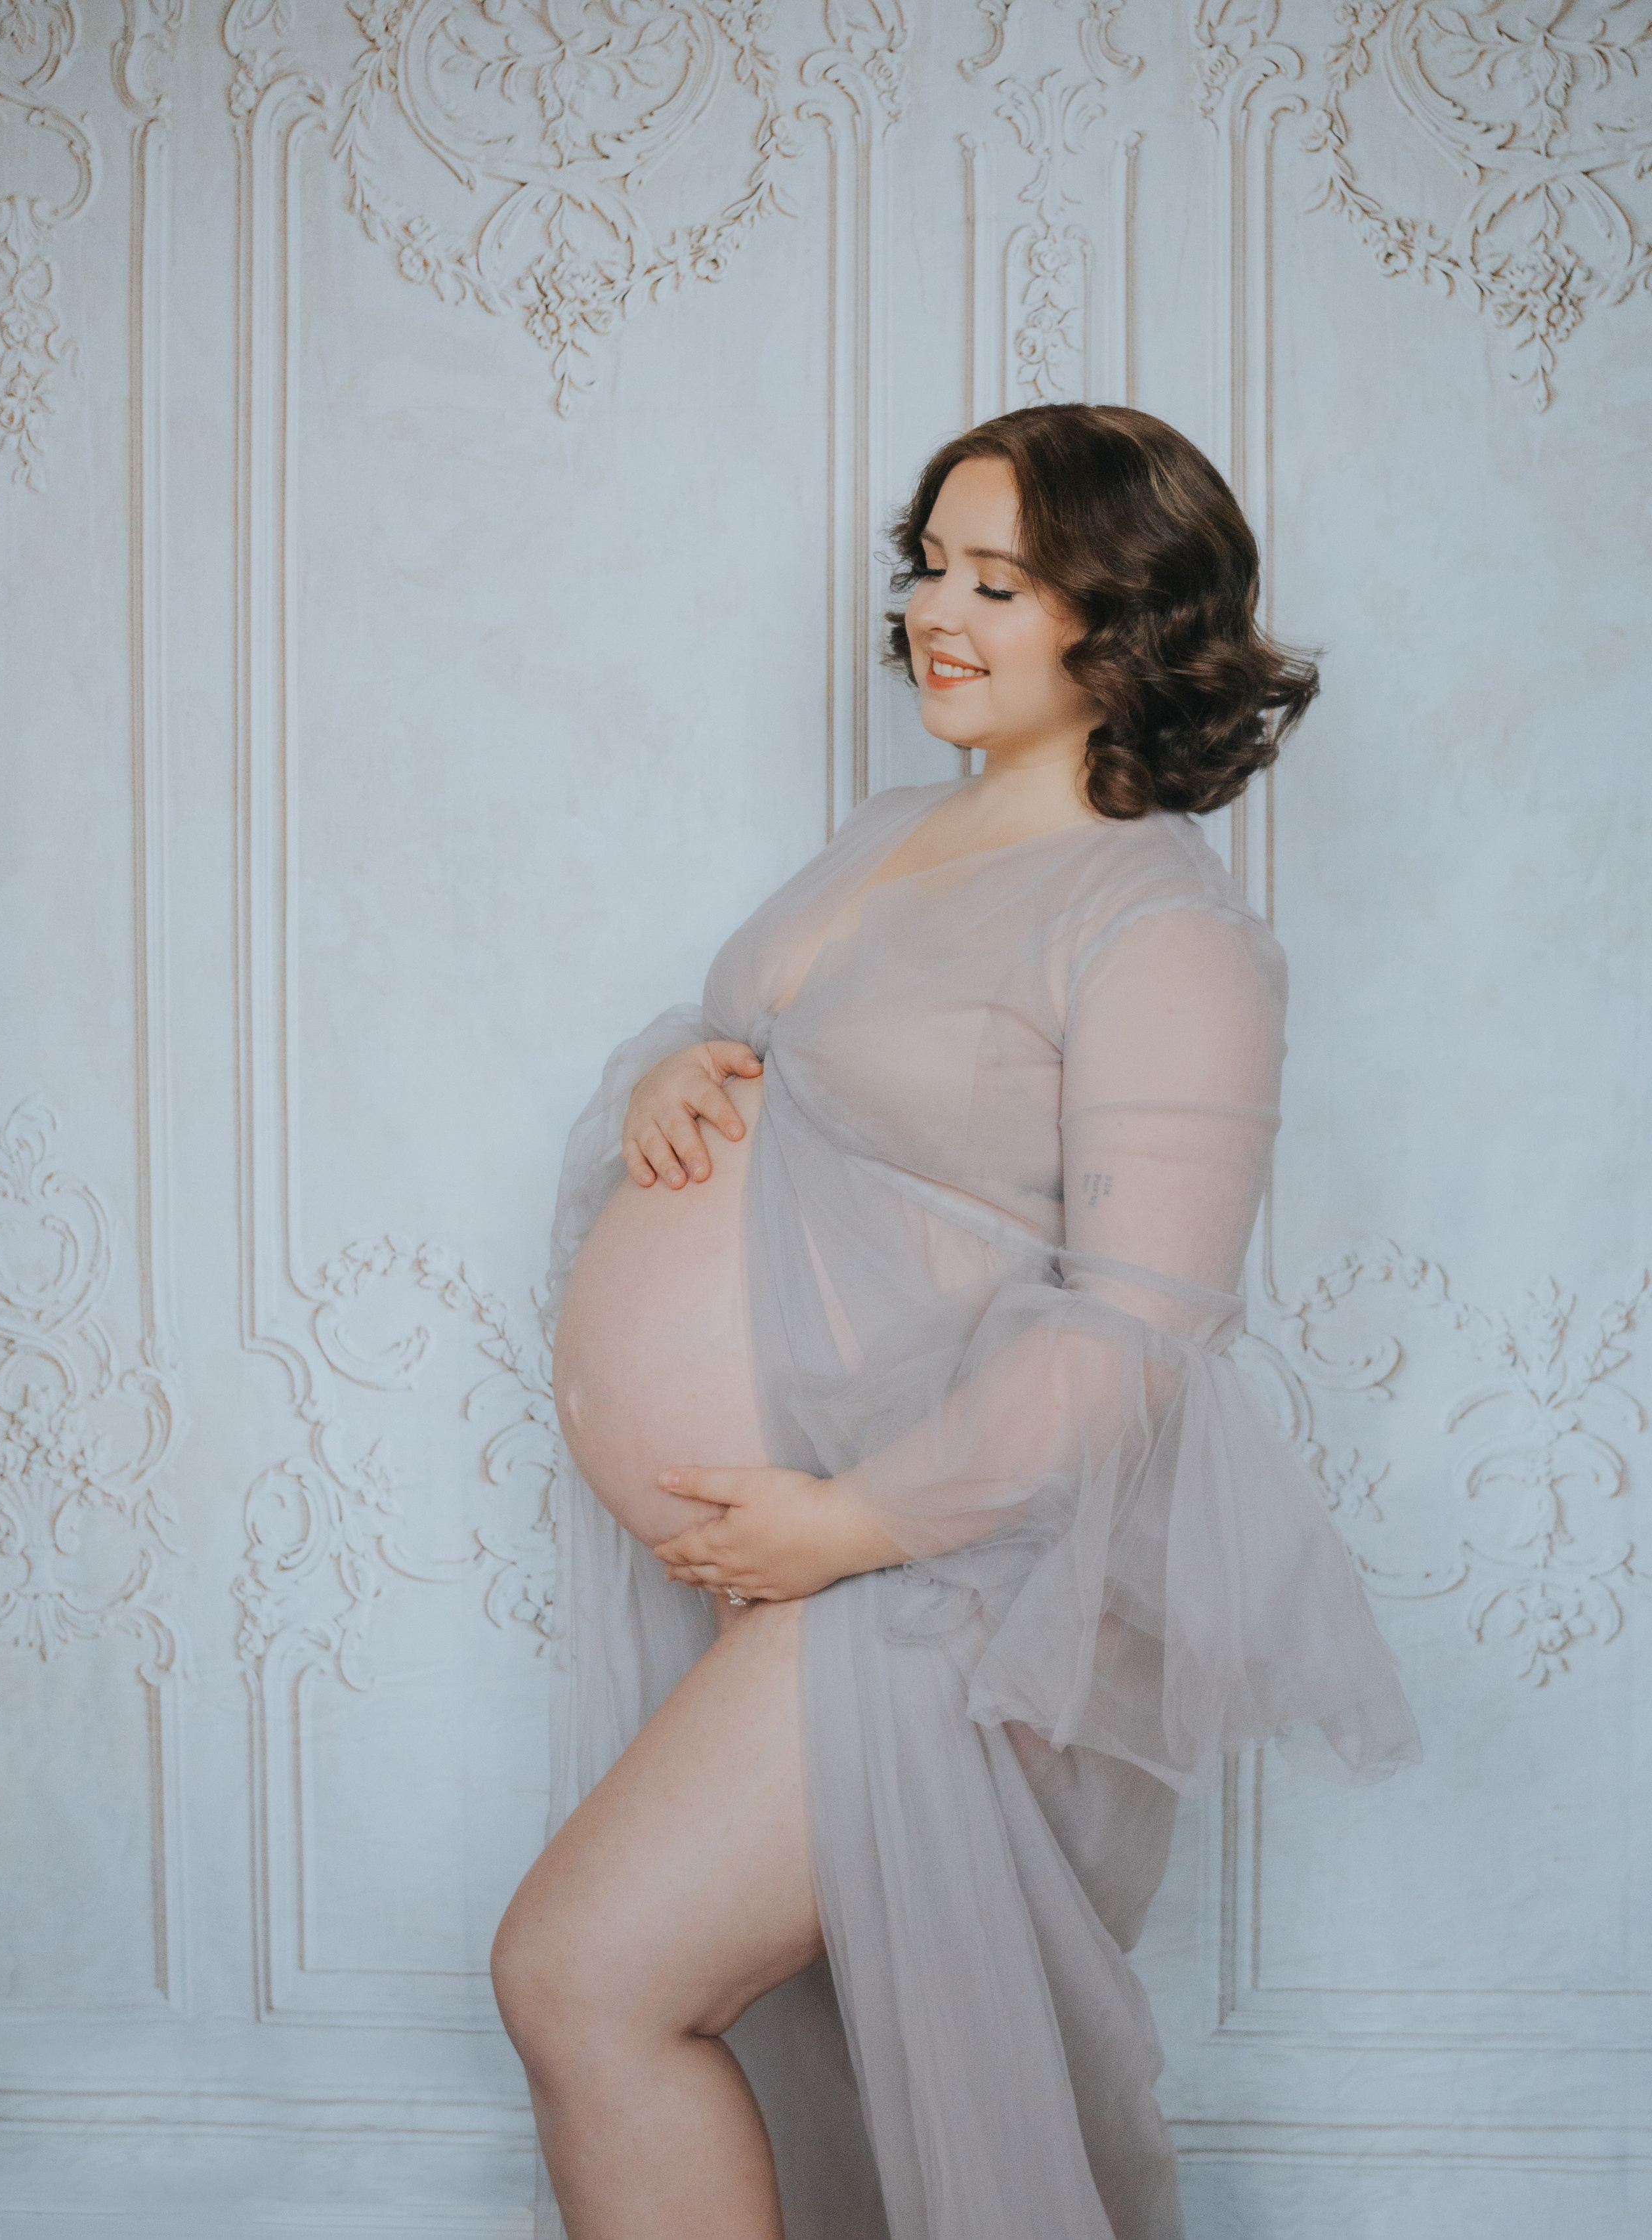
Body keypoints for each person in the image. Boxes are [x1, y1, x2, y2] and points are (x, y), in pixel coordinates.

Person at [490, 402, 1420, 2240]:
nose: (937, 610)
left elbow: (1136, 1335)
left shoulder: (1158, 928)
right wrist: (677, 1068)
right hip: (830, 1557)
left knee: (589, 1978)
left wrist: (850, 1522)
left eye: (1001, 581)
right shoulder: (891, 834)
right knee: (757, 2037)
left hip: (946, 1566)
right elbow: (789, 1059)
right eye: (931, 565)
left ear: (1127, 618)